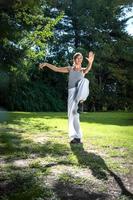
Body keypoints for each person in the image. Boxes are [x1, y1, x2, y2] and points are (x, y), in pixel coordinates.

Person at [39, 51, 95, 144]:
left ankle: (76, 137)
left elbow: (88, 69)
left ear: (81, 60)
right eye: (77, 58)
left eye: (81, 58)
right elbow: (57, 69)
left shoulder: (82, 70)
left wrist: (90, 62)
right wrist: (46, 64)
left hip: (79, 91)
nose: (79, 59)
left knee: (73, 113)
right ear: (74, 59)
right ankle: (77, 136)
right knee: (72, 114)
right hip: (72, 92)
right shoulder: (70, 69)